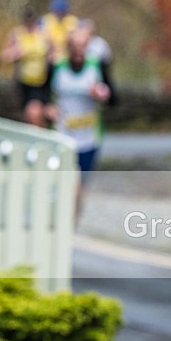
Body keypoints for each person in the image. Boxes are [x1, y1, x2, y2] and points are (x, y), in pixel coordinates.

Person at [49, 27, 114, 217]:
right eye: (75, 46)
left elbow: (112, 96)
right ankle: (60, 221)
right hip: (63, 138)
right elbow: (43, 94)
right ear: (68, 47)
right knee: (68, 185)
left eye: (83, 46)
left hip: (88, 139)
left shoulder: (96, 67)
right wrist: (48, 108)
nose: (79, 50)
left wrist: (101, 94)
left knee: (80, 189)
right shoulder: (57, 67)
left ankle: (71, 228)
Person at [1, 6, 52, 127]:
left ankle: (41, 139)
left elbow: (55, 53)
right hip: (22, 81)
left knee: (35, 113)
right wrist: (16, 53)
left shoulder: (44, 34)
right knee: (27, 117)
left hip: (40, 82)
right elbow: (4, 56)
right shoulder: (16, 34)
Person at [41, 0, 79, 64]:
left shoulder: (72, 20)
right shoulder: (46, 20)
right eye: (57, 12)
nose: (60, 14)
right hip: (51, 59)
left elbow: (73, 37)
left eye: (62, 12)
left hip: (67, 59)